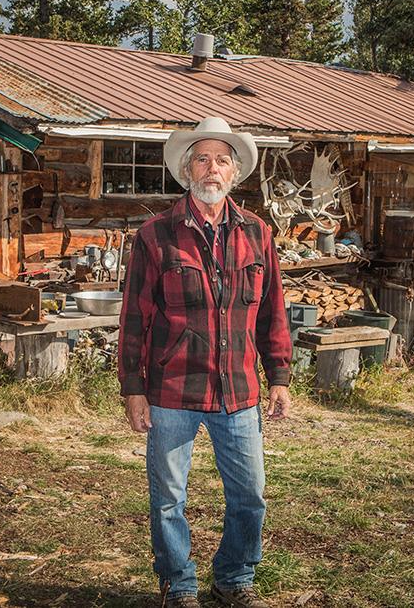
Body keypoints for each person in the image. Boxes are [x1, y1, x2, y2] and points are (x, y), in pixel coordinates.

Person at [118, 117, 293, 608]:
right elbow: (135, 316)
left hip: (239, 391)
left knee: (250, 496)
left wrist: (278, 375)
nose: (211, 168)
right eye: (202, 158)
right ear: (186, 170)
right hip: (172, 391)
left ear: (234, 173)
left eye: (221, 159)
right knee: (168, 499)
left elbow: (273, 309)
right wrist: (133, 388)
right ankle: (179, 584)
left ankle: (234, 579)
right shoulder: (155, 236)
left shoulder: (258, 233)